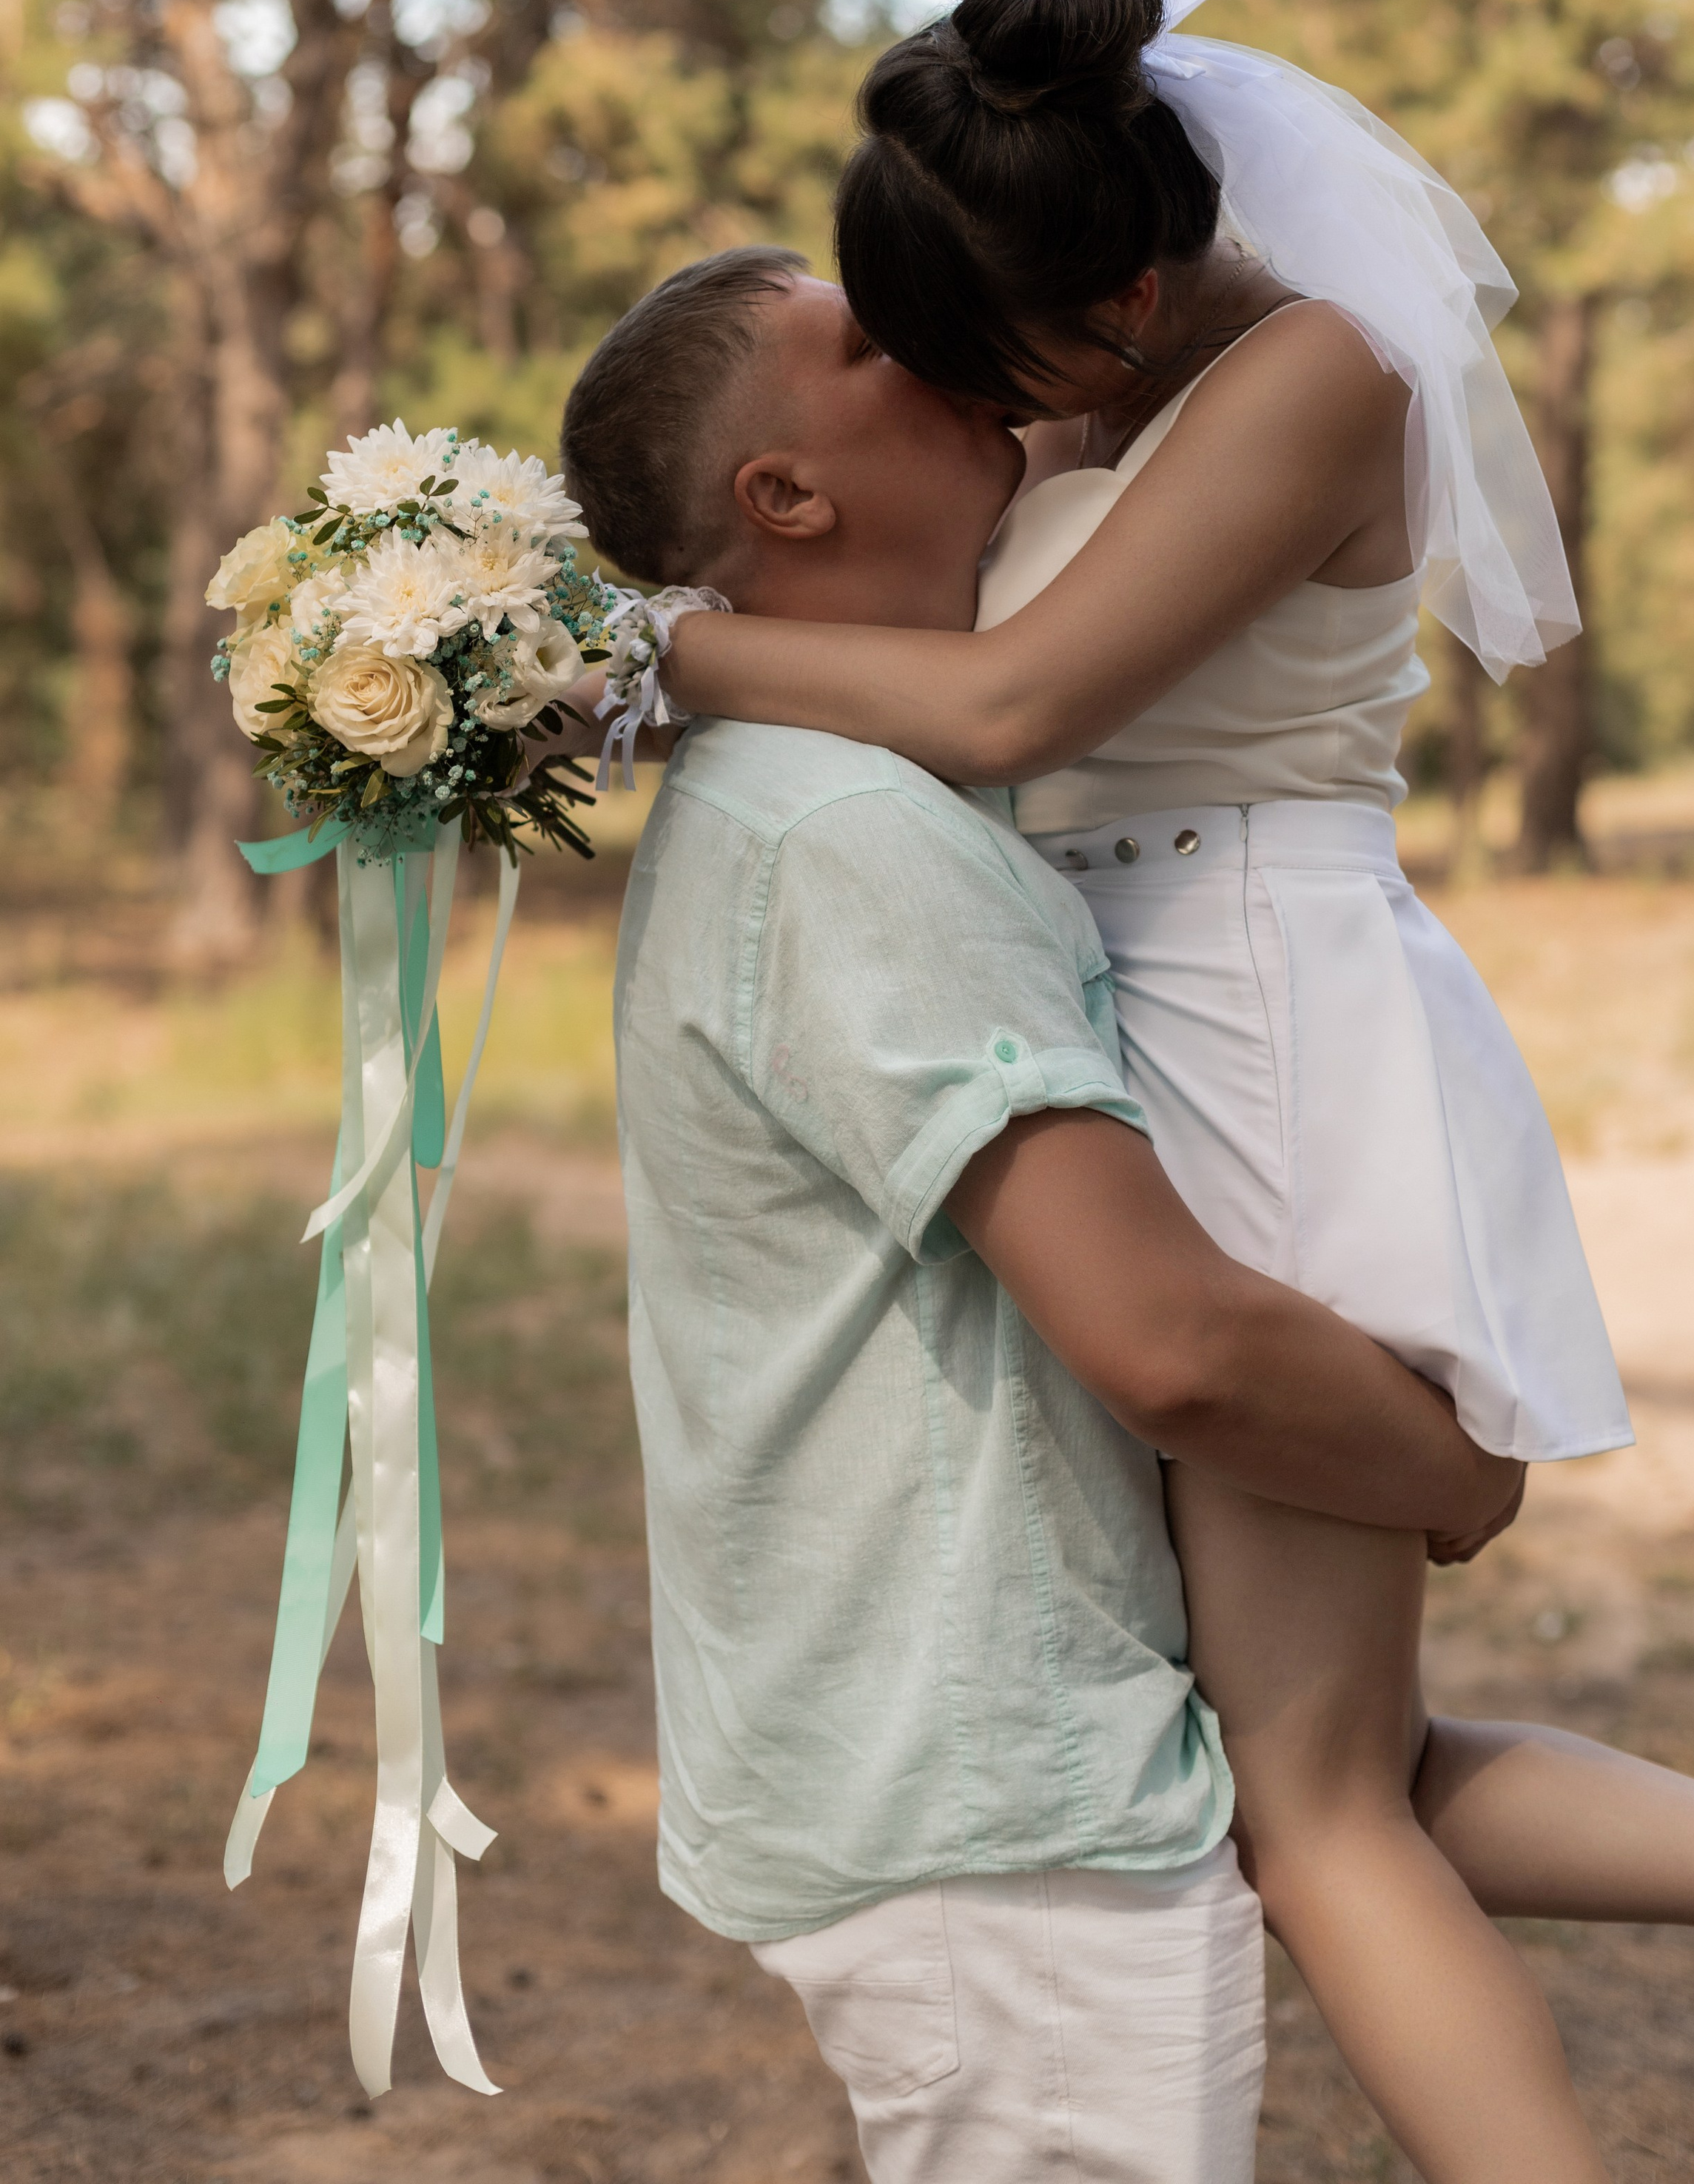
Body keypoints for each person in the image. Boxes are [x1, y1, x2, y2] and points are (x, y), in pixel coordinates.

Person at [638, 0, 1694, 2184]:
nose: (971, 411)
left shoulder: (1320, 376)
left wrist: (658, 657)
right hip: (1124, 996)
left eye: (977, 359)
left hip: (1254, 1015)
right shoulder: (1087, 374)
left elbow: (1015, 711)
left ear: (1112, 294)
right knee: (1318, 1760)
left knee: (1314, 1818)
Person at [557, 246, 1525, 2184]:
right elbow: (1167, 1339)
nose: (922, 321)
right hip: (993, 1817)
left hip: (981, 1764)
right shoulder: (848, 834)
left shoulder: (841, 794)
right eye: (859, 335)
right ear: (783, 499)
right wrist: (1444, 1466)